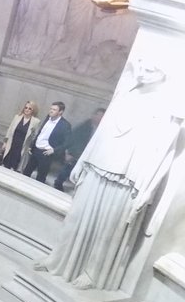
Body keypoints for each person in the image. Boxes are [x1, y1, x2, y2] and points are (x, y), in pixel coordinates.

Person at [35, 60, 183, 290]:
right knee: (76, 218)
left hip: (127, 179)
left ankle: (92, 273)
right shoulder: (125, 94)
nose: (143, 71)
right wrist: (82, 163)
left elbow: (164, 153)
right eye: (142, 65)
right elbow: (100, 133)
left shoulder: (166, 108)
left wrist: (149, 190)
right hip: (97, 165)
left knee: (108, 230)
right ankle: (60, 258)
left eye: (151, 68)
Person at [54, 107, 105, 190]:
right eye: (98, 115)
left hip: (89, 155)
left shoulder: (102, 130)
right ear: (93, 115)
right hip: (76, 153)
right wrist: (68, 152)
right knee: (68, 168)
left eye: (102, 117)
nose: (99, 118)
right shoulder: (85, 125)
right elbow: (73, 138)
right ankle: (58, 183)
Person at [23, 101, 71, 184]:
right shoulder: (48, 118)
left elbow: (67, 143)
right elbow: (41, 133)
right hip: (36, 150)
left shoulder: (65, 125)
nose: (51, 111)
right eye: (51, 109)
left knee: (40, 178)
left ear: (60, 112)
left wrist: (54, 150)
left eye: (54, 110)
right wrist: (32, 145)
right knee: (26, 172)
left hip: (46, 153)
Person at [0, 101, 41, 171]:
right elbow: (9, 130)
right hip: (11, 144)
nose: (27, 110)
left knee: (15, 166)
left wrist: (31, 147)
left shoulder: (36, 122)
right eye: (26, 108)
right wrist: (5, 142)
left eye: (30, 108)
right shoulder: (17, 117)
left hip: (22, 146)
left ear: (33, 110)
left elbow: (35, 136)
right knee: (5, 164)